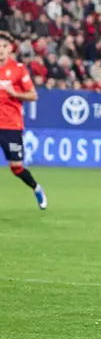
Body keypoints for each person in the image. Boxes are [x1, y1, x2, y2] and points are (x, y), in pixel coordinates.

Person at [0, 31, 46, 209]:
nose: (1, 50)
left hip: (11, 126)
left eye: (4, 46)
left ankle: (36, 188)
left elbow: (33, 95)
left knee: (16, 167)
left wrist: (14, 93)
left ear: (10, 48)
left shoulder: (18, 69)